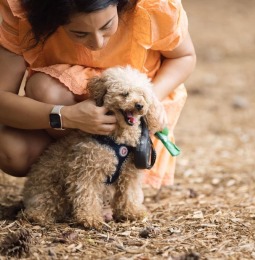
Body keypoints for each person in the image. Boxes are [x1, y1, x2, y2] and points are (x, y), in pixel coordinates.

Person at [0, 0, 196, 189]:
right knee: (12, 149)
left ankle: (110, 181)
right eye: (79, 33)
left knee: (46, 89)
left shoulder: (152, 4)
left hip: (130, 114)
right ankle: (78, 183)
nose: (98, 43)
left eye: (107, 25)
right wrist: (67, 116)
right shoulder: (22, 10)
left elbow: (184, 56)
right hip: (64, 113)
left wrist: (150, 96)